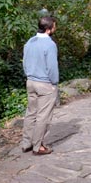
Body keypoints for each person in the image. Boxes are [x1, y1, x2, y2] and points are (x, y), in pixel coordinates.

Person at [21, 13, 59, 156]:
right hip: (45, 84)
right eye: (54, 26)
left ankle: (27, 143)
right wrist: (54, 83)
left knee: (31, 113)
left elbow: (24, 62)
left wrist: (29, 75)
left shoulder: (30, 42)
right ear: (49, 28)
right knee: (43, 116)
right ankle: (38, 146)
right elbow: (52, 67)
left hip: (30, 81)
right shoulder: (50, 44)